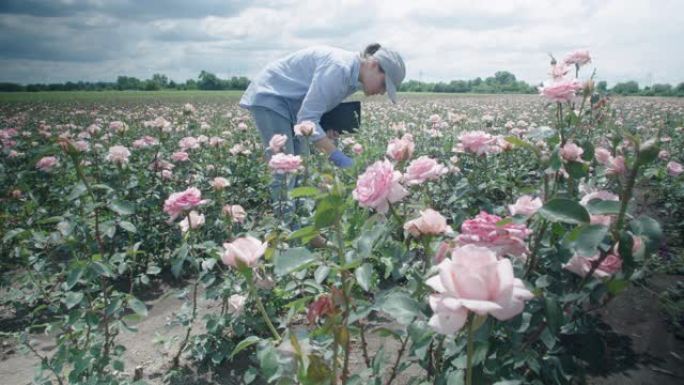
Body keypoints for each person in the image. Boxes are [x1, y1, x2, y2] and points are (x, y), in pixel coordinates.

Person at [238, 43, 406, 227]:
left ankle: (300, 226)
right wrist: (338, 157)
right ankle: (287, 233)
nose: (382, 92)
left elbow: (312, 110)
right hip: (272, 96)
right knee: (284, 173)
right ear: (373, 64)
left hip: (292, 107)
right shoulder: (338, 69)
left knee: (299, 169)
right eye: (383, 84)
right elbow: (306, 119)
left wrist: (325, 131)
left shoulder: (351, 78)